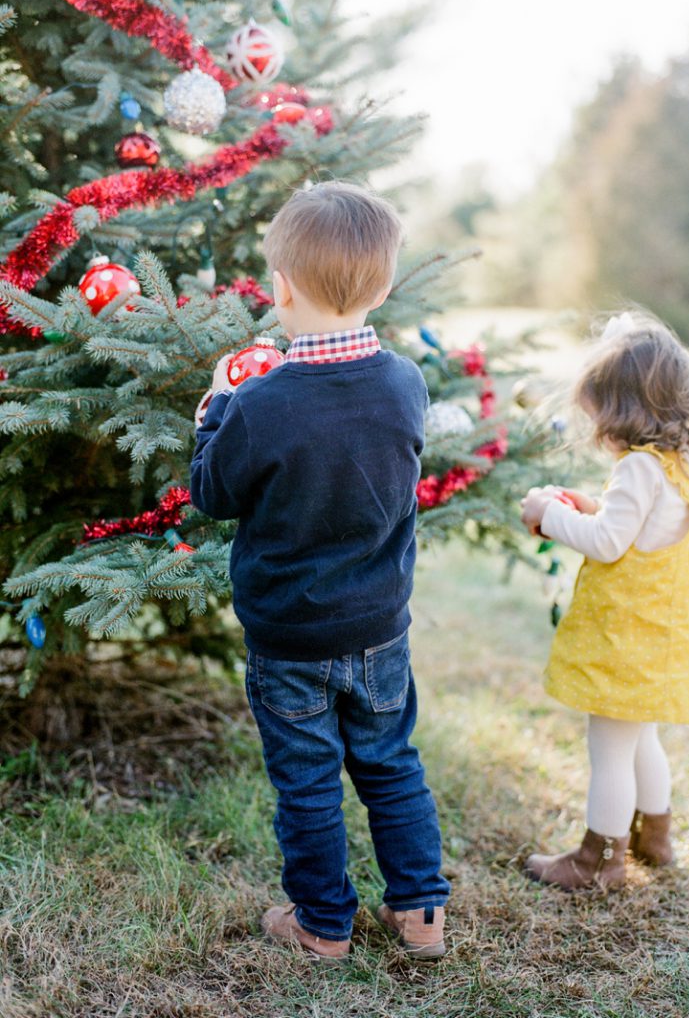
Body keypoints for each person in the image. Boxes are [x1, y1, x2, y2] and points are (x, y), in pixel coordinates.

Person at [190, 181, 450, 961]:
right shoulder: (405, 383)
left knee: (308, 782)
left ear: (280, 289)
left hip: (289, 638)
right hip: (379, 627)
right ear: (382, 285)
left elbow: (213, 494)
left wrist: (214, 411)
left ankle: (323, 925)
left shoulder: (261, 403)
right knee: (391, 762)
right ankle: (421, 916)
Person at [520, 311, 689, 890]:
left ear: (624, 411)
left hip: (625, 639)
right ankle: (655, 838)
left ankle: (597, 861)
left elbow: (609, 544)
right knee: (641, 738)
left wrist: (549, 516)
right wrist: (589, 505)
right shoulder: (687, 463)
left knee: (608, 749)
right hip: (666, 635)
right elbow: (640, 530)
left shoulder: (637, 468)